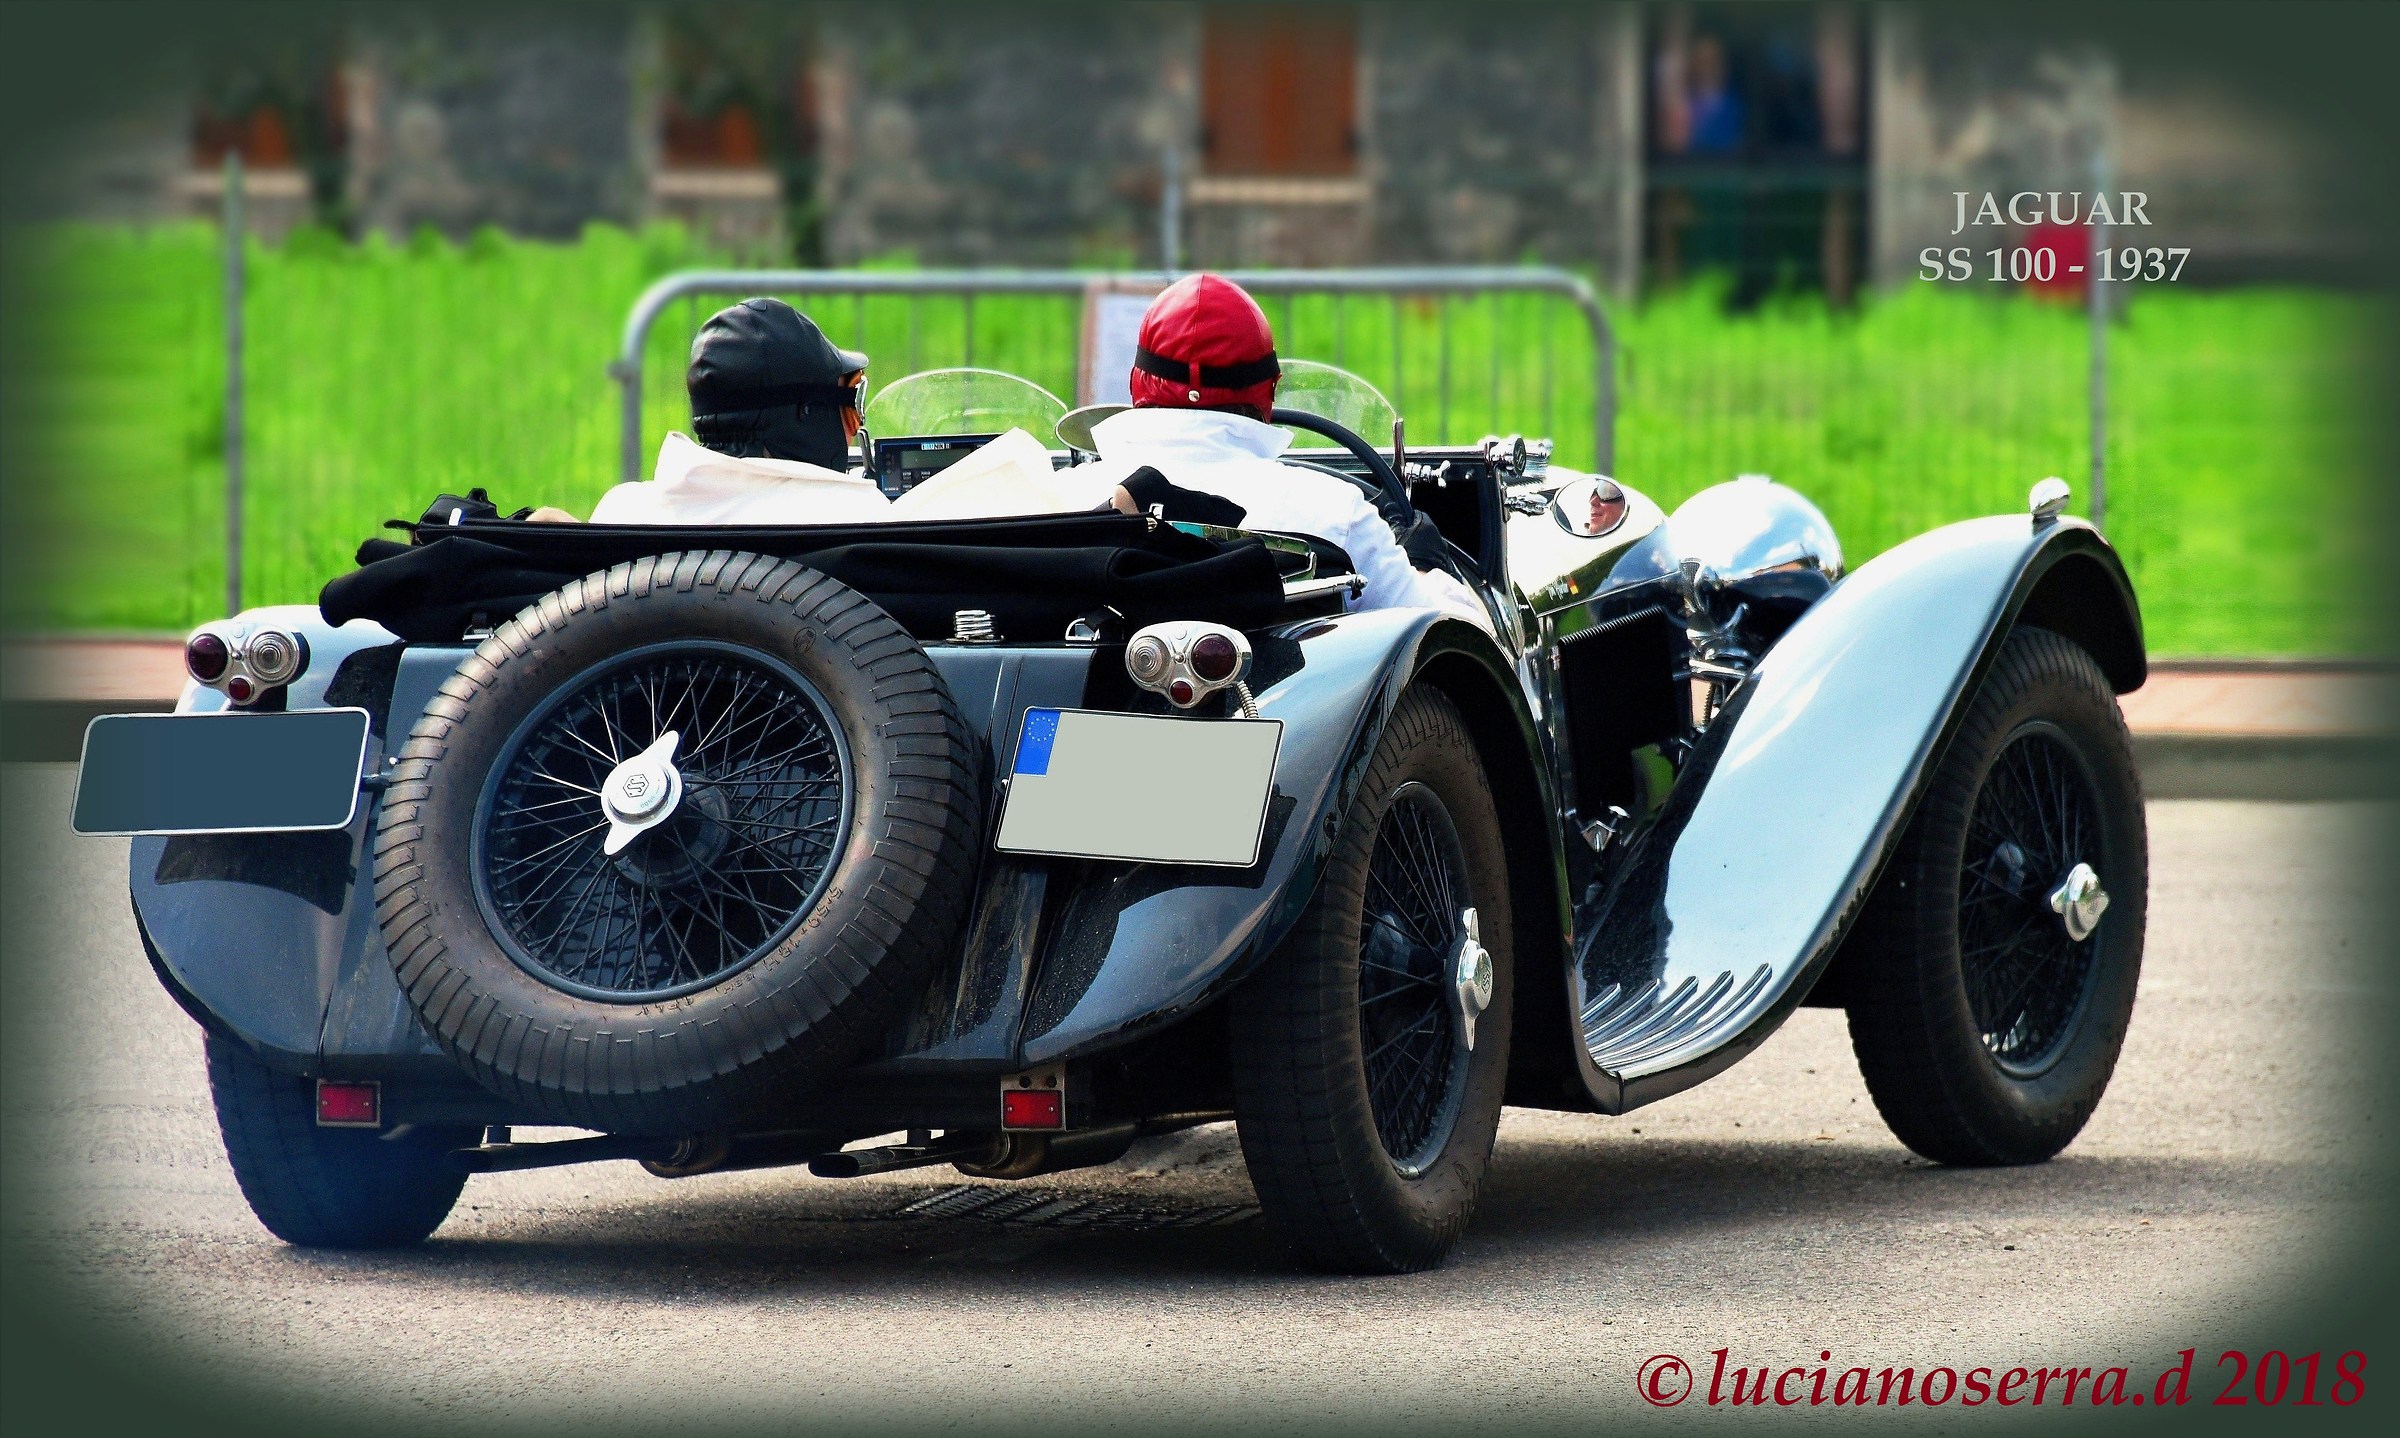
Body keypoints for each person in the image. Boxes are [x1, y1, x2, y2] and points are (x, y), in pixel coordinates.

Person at [1054, 273, 1492, 630]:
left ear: (1136, 381)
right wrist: (1425, 568)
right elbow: (1461, 639)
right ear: (1269, 390)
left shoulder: (1053, 499)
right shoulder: (1333, 511)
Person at [571, 297, 892, 525]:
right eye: (852, 405)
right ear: (808, 413)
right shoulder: (859, 515)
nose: (854, 428)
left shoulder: (623, 512)